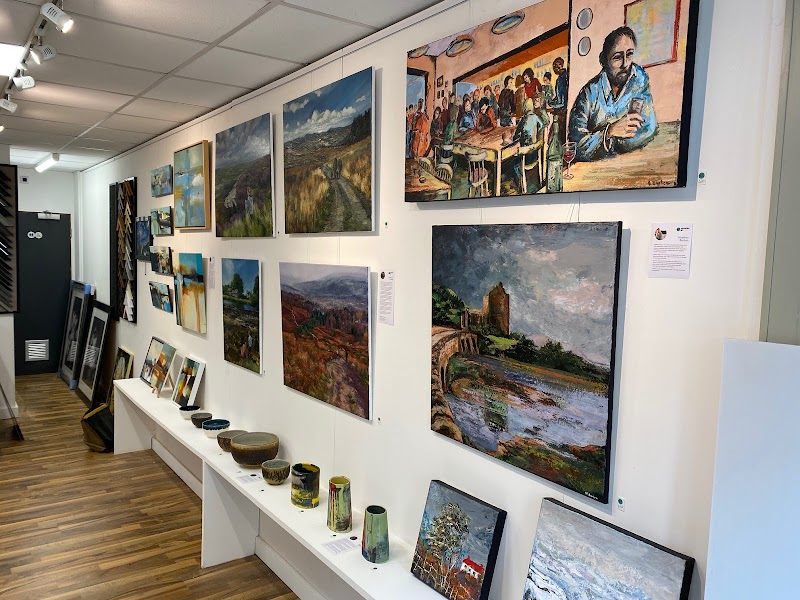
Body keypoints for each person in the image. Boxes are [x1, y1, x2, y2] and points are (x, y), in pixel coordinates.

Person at [568, 27, 656, 161]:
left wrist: (607, 143)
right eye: (617, 57)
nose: (625, 64)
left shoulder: (639, 79)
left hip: (631, 160)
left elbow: (648, 128)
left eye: (629, 54)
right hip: (593, 167)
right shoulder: (589, 93)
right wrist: (610, 131)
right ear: (603, 60)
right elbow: (576, 146)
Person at [513, 97, 548, 191]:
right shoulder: (536, 117)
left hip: (526, 155)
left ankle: (520, 184)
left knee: (514, 163)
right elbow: (542, 126)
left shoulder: (523, 119)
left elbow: (516, 136)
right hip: (535, 153)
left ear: (524, 108)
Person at [548, 58, 569, 145]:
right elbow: (559, 97)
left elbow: (562, 102)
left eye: (555, 67)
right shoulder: (563, 77)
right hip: (561, 111)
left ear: (560, 66)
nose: (554, 69)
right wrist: (551, 101)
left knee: (554, 140)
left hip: (562, 113)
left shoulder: (561, 79)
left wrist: (551, 105)